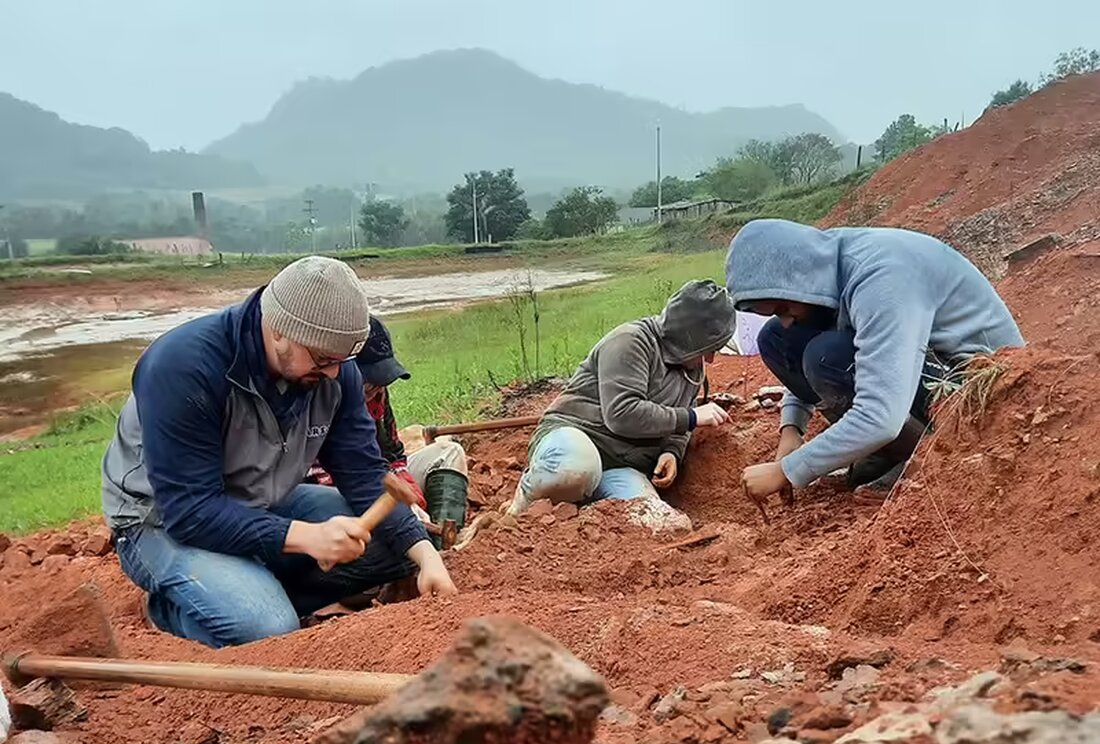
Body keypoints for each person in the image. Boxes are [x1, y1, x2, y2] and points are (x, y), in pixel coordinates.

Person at [101, 255, 457, 649]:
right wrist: (307, 537)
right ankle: (173, 609)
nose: (334, 374)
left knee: (398, 548)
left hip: (260, 501)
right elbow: (190, 512)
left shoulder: (332, 369)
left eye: (342, 361)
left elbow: (362, 471)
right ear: (279, 331)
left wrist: (425, 556)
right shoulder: (183, 367)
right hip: (160, 521)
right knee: (267, 627)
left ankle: (249, 585)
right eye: (323, 359)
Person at [724, 218, 1025, 503]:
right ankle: (886, 451)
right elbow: (799, 336)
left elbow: (880, 414)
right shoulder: (824, 265)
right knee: (777, 339)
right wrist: (791, 430)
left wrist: (786, 471)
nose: (786, 320)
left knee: (828, 357)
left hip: (981, 394)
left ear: (799, 279)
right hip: (929, 362)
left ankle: (928, 458)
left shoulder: (881, 278)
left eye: (782, 308)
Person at [507, 279, 736, 514]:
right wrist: (691, 417)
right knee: (573, 472)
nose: (710, 360)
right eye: (708, 349)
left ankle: (580, 510)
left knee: (657, 521)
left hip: (621, 464)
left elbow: (680, 423)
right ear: (689, 337)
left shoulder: (691, 367)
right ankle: (520, 508)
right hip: (578, 435)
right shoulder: (631, 342)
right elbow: (622, 414)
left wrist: (671, 452)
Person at [307, 315, 469, 548]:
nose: (377, 388)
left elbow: (393, 455)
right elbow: (320, 478)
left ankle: (440, 542)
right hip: (341, 495)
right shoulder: (318, 399)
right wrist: (391, 501)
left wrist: (408, 494)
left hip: (379, 483)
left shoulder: (378, 397)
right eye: (369, 381)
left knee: (449, 452)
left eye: (382, 380)